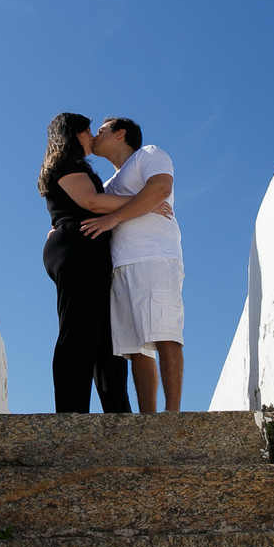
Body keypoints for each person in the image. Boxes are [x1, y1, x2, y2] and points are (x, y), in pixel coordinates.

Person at [38, 112, 173, 414]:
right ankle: (70, 417)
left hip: (88, 251)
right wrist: (147, 203)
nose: (92, 136)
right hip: (77, 248)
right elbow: (92, 203)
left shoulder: (80, 168)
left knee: (107, 342)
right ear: (72, 134)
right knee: (79, 333)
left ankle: (119, 417)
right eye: (87, 131)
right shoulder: (65, 164)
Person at [81, 117, 185, 413]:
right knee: (136, 346)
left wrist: (114, 218)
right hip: (119, 266)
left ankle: (173, 415)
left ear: (120, 134)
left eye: (100, 131)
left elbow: (160, 189)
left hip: (154, 255)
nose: (94, 136)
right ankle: (149, 419)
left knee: (165, 333)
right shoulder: (106, 185)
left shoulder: (149, 154)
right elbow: (91, 205)